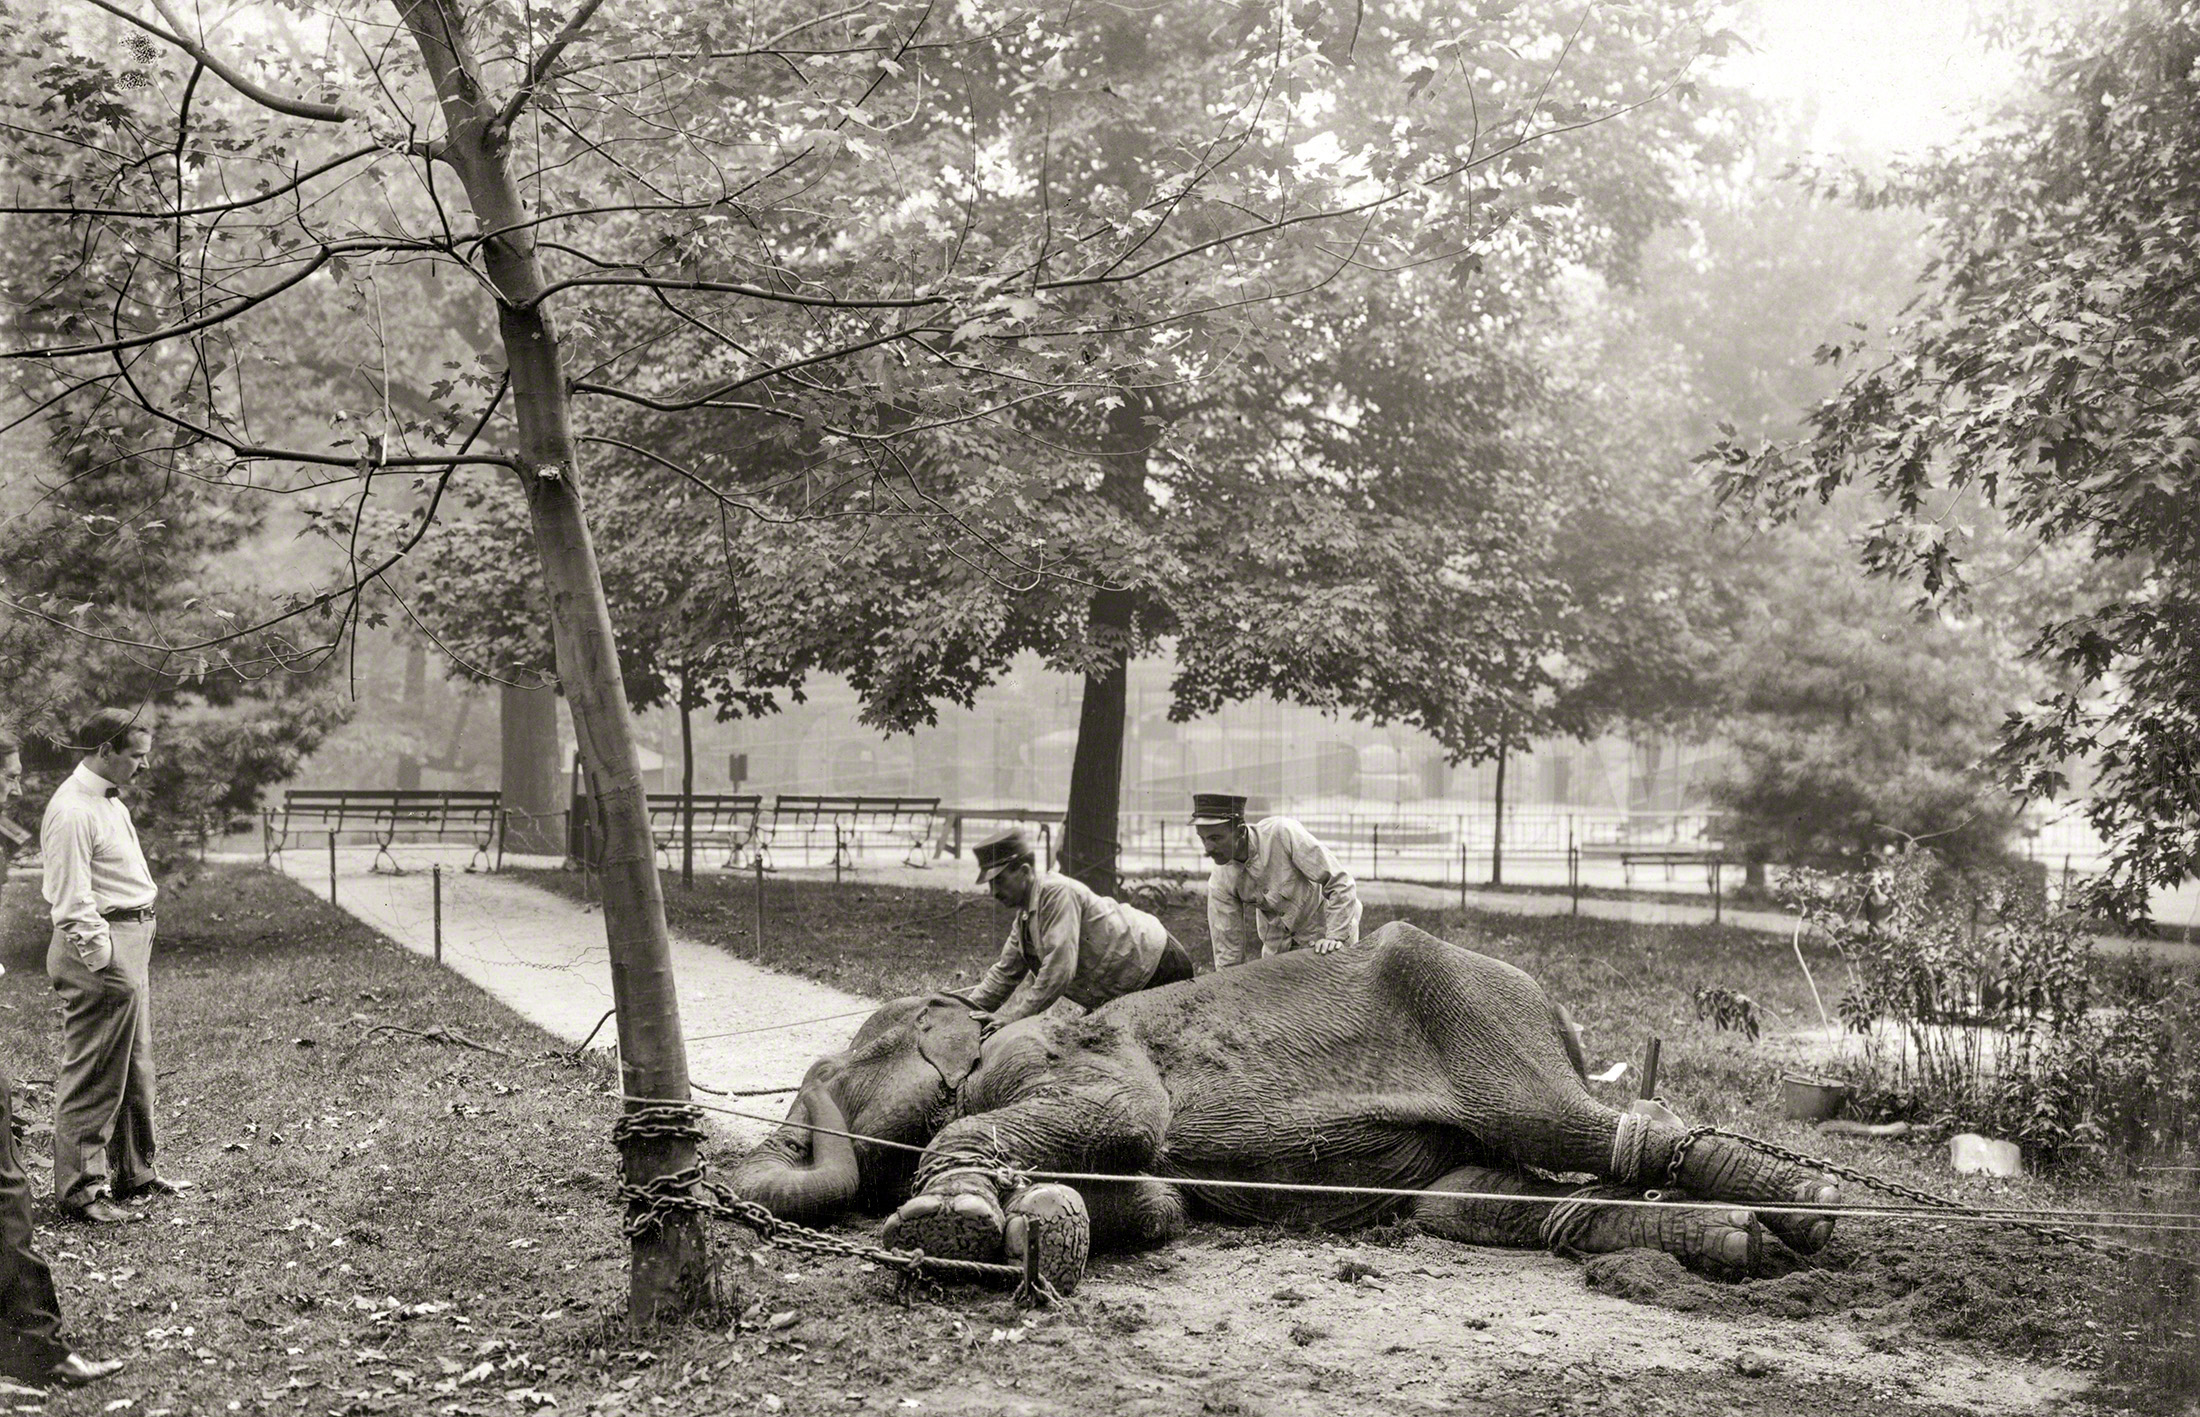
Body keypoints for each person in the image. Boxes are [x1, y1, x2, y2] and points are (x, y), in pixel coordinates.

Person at [0, 730, 124, 1388]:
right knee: (6, 1193)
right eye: (5, 776)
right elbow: (69, 893)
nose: (14, 786)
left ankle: (32, 1350)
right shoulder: (61, 813)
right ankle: (33, 1352)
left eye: (16, 774)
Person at [40, 709, 188, 1226]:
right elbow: (70, 899)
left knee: (135, 1064)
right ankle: (81, 1190)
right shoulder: (72, 809)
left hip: (130, 937)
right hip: (100, 947)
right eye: (136, 755)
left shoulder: (108, 800)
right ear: (105, 750)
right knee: (97, 1070)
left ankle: (134, 1173)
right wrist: (105, 960)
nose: (144, 766)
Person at [962, 828, 1195, 1032]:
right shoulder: (1025, 917)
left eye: (999, 881)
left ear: (1024, 871)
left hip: (1159, 967)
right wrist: (961, 1014)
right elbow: (1004, 974)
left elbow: (1059, 970)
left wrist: (1014, 1018)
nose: (993, 891)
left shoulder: (1057, 893)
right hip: (1120, 988)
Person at [1193, 791, 1362, 968]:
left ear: (1240, 831)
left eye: (1215, 838)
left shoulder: (1282, 834)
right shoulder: (1220, 878)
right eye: (1202, 838)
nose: (1208, 848)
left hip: (1326, 934)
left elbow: (1340, 882)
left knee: (1331, 991)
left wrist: (1334, 937)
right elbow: (1227, 945)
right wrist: (1229, 986)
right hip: (1278, 948)